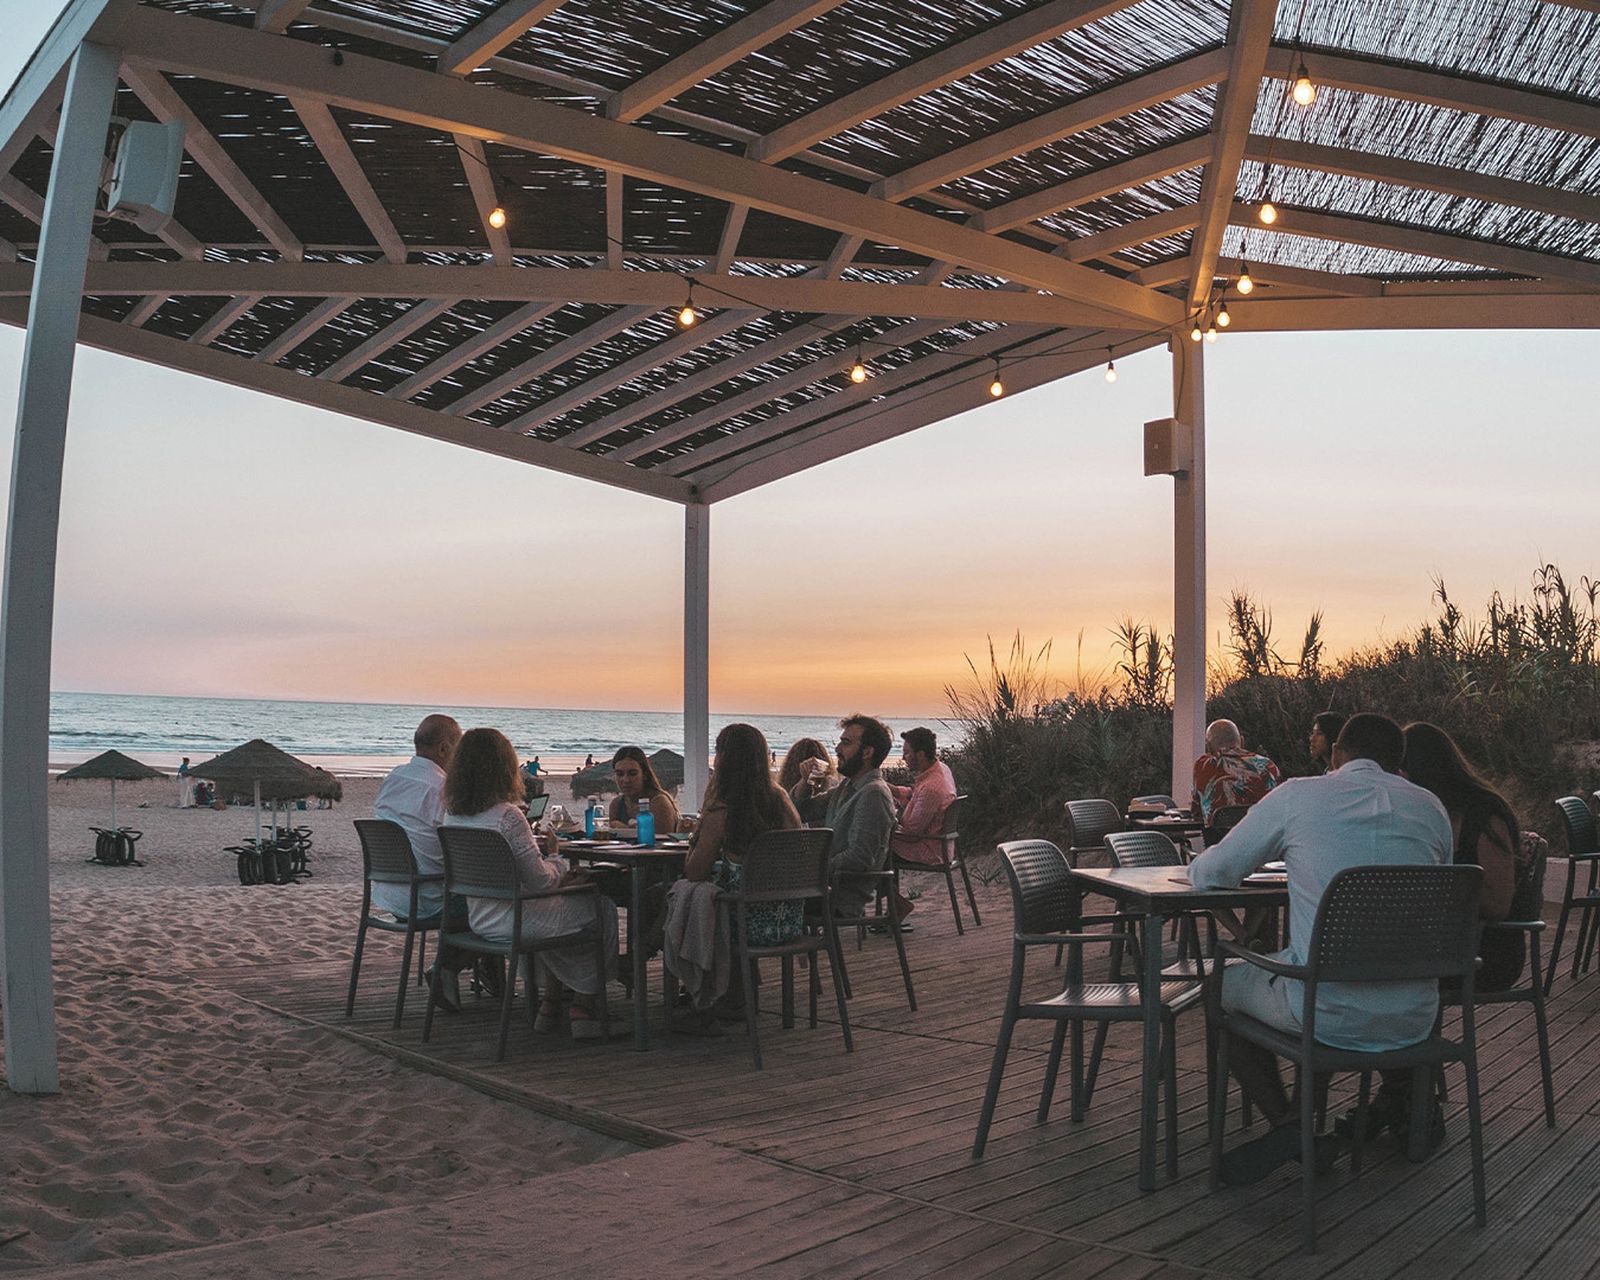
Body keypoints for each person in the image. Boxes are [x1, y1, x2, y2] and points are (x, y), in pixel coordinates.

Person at [1189, 712, 1453, 1185]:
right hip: (1417, 1016)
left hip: (1325, 1008)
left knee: (1220, 985)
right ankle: (1300, 1127)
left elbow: (1211, 874)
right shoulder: (1431, 809)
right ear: (1399, 761)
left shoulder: (1299, 796)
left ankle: (1292, 1129)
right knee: (1297, 966)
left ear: (1335, 754)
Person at [443, 728, 617, 1041]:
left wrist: (557, 877)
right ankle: (583, 1006)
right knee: (601, 908)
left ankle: (550, 1004)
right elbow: (539, 882)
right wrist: (555, 858)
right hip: (519, 919)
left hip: (482, 919)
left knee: (559, 912)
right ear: (504, 768)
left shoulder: (453, 816)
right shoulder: (507, 816)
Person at [665, 723, 803, 1033]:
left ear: (725, 758)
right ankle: (733, 997)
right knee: (705, 897)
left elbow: (695, 870)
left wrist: (698, 834)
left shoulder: (723, 809)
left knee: (679, 895)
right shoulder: (780, 799)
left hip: (744, 921)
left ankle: (703, 997)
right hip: (788, 918)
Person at [373, 714, 468, 1012]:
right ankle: (446, 968)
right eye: (458, 748)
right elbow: (463, 845)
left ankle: (474, 976)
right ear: (443, 748)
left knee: (475, 891)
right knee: (494, 897)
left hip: (390, 893)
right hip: (428, 898)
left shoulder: (393, 779)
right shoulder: (441, 788)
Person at [790, 715, 897, 917]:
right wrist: (807, 782)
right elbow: (799, 812)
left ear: (867, 752)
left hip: (837, 896)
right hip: (822, 887)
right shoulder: (847, 787)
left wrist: (811, 870)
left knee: (755, 897)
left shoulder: (873, 794)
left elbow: (860, 857)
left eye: (846, 743)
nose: (837, 749)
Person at [886, 726, 958, 922]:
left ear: (921, 754)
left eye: (907, 753)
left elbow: (911, 834)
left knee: (873, 850)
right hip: (940, 843)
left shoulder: (932, 788)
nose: (903, 757)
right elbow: (914, 795)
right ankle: (894, 906)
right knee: (876, 847)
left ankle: (897, 906)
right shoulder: (939, 769)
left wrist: (888, 825)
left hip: (930, 849)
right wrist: (892, 790)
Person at [1191, 718, 1281, 828]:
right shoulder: (1267, 766)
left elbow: (1197, 812)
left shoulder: (1202, 766)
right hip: (1263, 842)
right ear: (1242, 742)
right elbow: (1278, 810)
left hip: (1220, 842)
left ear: (1208, 747)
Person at [608, 746, 681, 833]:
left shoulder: (658, 802)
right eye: (620, 774)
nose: (626, 780)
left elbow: (662, 840)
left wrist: (624, 828)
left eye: (632, 774)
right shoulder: (617, 805)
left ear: (645, 775)